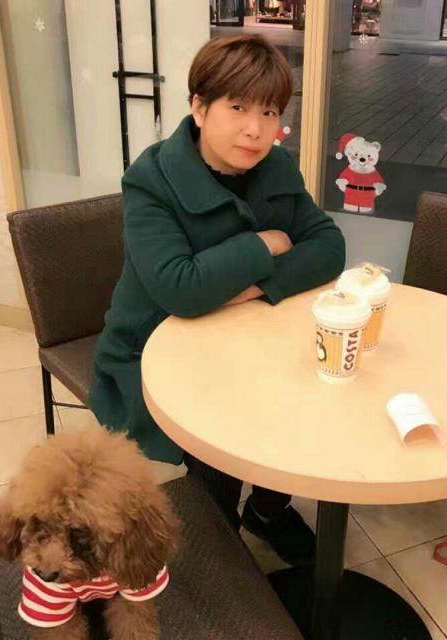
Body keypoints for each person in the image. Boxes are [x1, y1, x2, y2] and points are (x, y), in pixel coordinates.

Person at [89, 34, 346, 566]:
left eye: (269, 112)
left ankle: (267, 510)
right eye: (238, 108)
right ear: (199, 108)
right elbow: (180, 290)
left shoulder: (275, 167)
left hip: (248, 333)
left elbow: (329, 247)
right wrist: (264, 244)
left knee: (304, 401)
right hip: (154, 349)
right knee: (224, 434)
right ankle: (220, 541)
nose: (256, 129)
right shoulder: (152, 180)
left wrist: (245, 287)